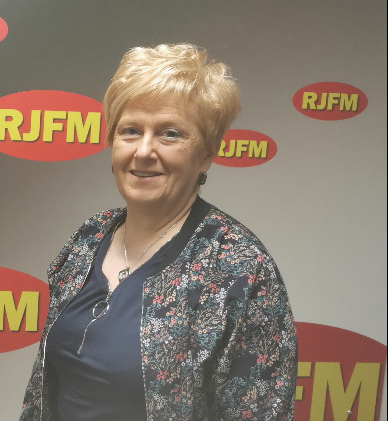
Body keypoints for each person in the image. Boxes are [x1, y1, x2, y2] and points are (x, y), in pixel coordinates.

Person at [19, 44, 297, 420]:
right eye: (131, 131)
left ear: (207, 154)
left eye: (169, 134)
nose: (144, 151)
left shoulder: (239, 267)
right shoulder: (89, 238)